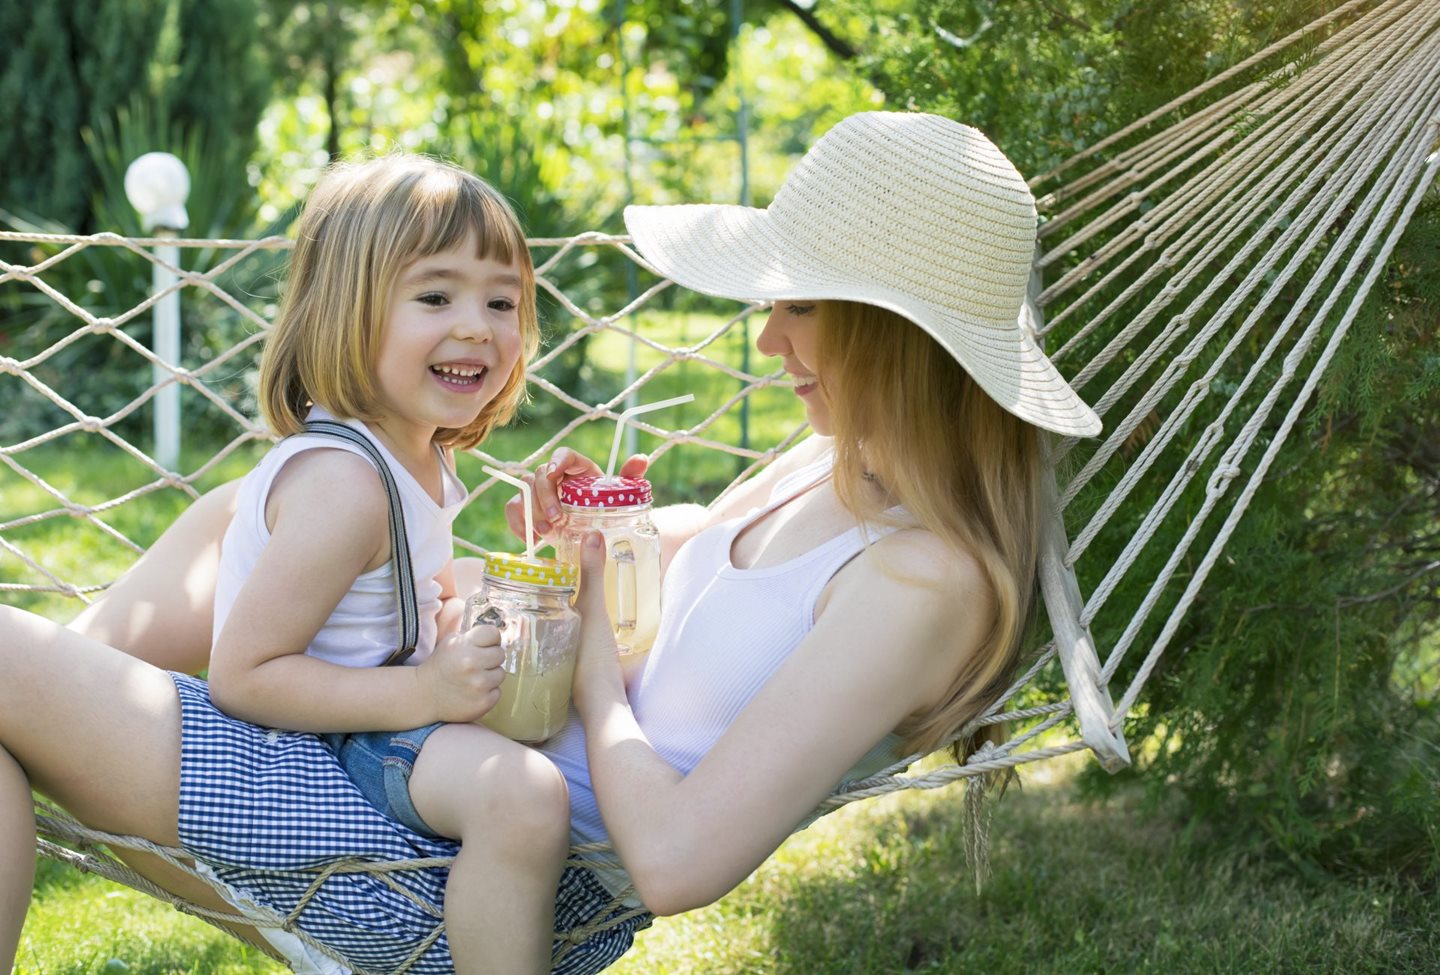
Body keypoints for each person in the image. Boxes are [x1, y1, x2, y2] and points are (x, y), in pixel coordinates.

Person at [0, 111, 1101, 974]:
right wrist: (598, 549)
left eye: (801, 308)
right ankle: (75, 700)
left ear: (895, 335)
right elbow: (675, 594)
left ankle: (67, 704)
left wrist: (592, 675)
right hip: (439, 767)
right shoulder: (834, 461)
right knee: (223, 521)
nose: (768, 340)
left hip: (446, 871)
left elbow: (673, 860)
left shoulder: (923, 579)